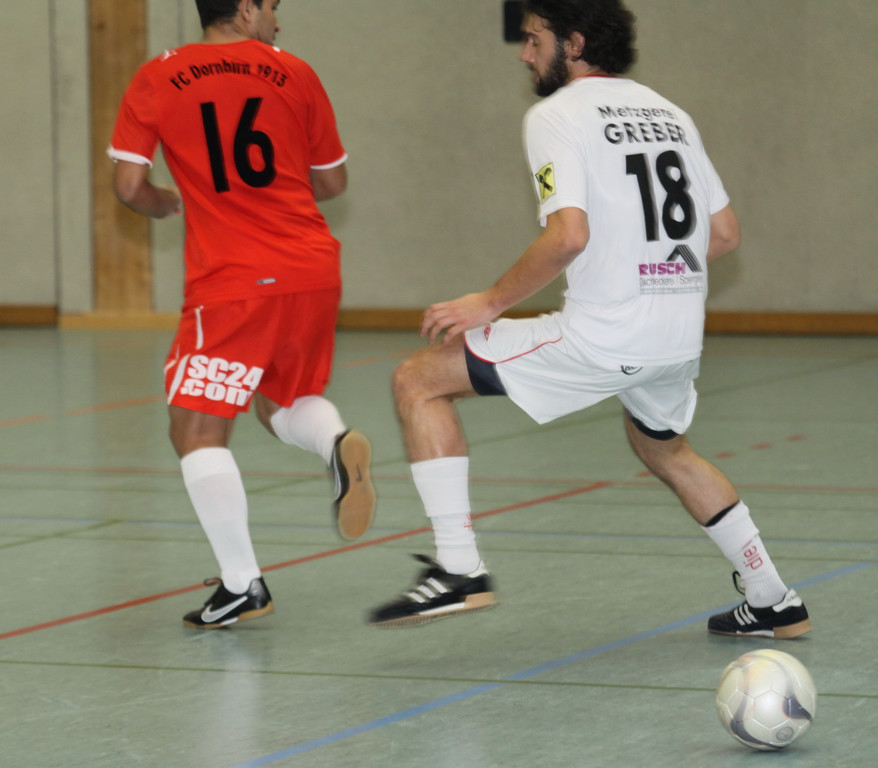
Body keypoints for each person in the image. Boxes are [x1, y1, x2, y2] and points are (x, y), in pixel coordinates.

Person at [368, 0, 810, 639]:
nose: (525, 54)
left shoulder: (556, 114)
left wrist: (488, 302)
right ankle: (773, 597)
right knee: (666, 450)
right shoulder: (670, 113)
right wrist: (648, 272)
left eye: (534, 39)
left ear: (573, 43)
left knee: (418, 380)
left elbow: (568, 236)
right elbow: (724, 235)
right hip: (678, 336)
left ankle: (459, 569)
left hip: (605, 336)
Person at [109, 0, 376, 629]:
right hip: (312, 268)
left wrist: (169, 202)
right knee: (282, 402)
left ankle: (241, 584)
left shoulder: (158, 74)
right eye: (274, 8)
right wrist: (276, 183)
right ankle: (335, 441)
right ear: (248, 7)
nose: (278, 22)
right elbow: (333, 183)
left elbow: (128, 187)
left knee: (193, 430)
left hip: (233, 280)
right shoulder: (295, 71)